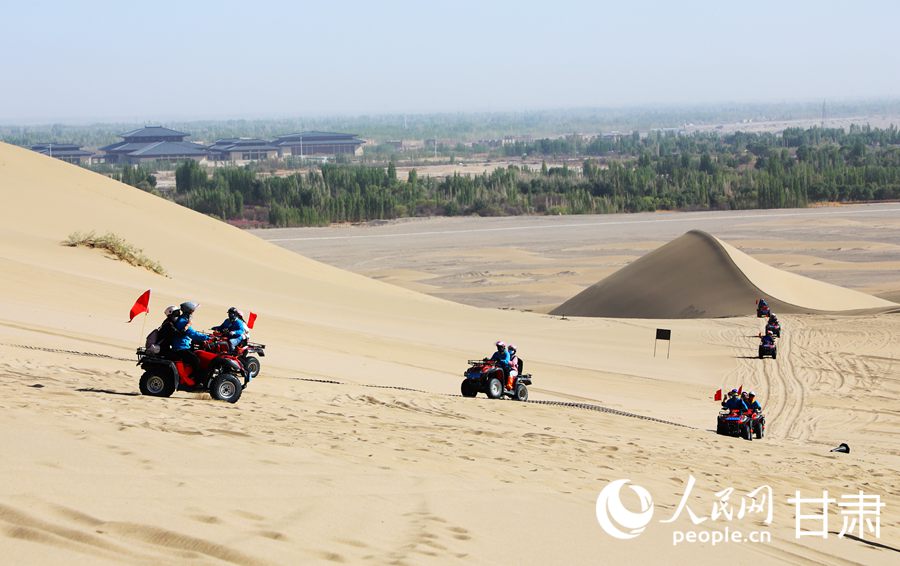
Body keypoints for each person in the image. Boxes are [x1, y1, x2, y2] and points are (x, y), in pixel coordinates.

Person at [169, 301, 210, 383]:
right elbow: (193, 334)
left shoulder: (185, 319)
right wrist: (207, 337)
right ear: (189, 311)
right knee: (197, 361)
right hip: (181, 348)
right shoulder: (182, 321)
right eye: (193, 310)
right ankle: (195, 380)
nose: (194, 312)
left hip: (183, 346)